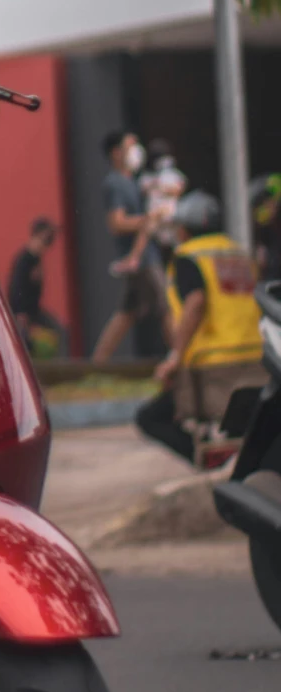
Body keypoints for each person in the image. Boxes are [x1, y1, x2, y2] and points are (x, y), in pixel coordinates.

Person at [135, 190, 265, 464]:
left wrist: (174, 358)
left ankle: (207, 463)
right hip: (256, 360)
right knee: (243, 425)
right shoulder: (239, 254)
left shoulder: (188, 256)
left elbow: (195, 303)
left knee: (150, 417)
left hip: (213, 365)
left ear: (183, 230)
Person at [90, 128, 166, 364]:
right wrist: (148, 219)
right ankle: (183, 361)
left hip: (141, 257)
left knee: (126, 314)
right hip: (143, 261)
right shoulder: (115, 184)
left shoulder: (131, 182)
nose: (137, 151)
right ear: (116, 153)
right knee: (166, 308)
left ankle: (97, 364)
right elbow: (116, 223)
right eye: (130, 146)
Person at [6, 218, 66, 354]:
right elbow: (16, 288)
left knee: (58, 332)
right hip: (22, 313)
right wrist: (21, 313)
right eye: (47, 238)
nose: (49, 243)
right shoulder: (24, 260)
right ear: (36, 236)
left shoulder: (36, 259)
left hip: (33, 311)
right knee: (24, 345)